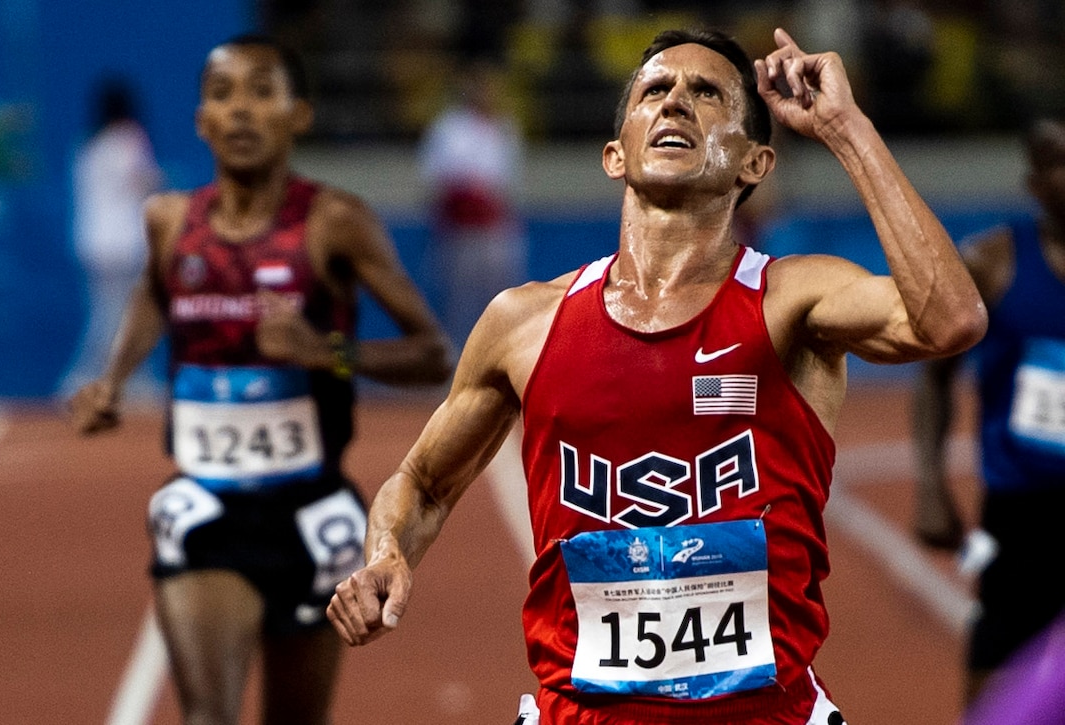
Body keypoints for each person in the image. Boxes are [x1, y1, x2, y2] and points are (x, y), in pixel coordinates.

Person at [329, 26, 987, 724]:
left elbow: (950, 320)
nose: (676, 101)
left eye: (707, 93)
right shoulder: (524, 323)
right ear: (615, 155)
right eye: (655, 90)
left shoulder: (793, 302)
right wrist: (386, 554)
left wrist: (846, 130)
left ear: (755, 162)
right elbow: (424, 482)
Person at [68, 35, 451, 725]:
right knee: (207, 715)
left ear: (297, 114)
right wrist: (113, 378)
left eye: (261, 91)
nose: (240, 110)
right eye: (222, 94)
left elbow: (433, 355)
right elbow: (154, 294)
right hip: (207, 510)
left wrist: (326, 351)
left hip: (312, 517)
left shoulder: (334, 222)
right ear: (200, 122)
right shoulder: (168, 221)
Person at [911, 117, 1065, 706]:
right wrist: (930, 486)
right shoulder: (991, 264)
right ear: (1034, 179)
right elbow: (935, 378)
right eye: (1058, 161)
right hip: (1021, 512)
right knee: (994, 682)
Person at [60, 78, 164, 399]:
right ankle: (83, 379)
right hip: (121, 243)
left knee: (114, 313)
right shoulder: (129, 138)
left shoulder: (87, 145)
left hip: (93, 242)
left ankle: (129, 379)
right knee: (118, 315)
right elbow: (145, 182)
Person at [418, 57, 526, 349]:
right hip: (461, 231)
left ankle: (503, 358)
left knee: (504, 300)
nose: (487, 94)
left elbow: (504, 185)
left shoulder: (504, 128)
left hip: (495, 229)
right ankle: (456, 364)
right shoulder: (449, 128)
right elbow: (439, 182)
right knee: (459, 305)